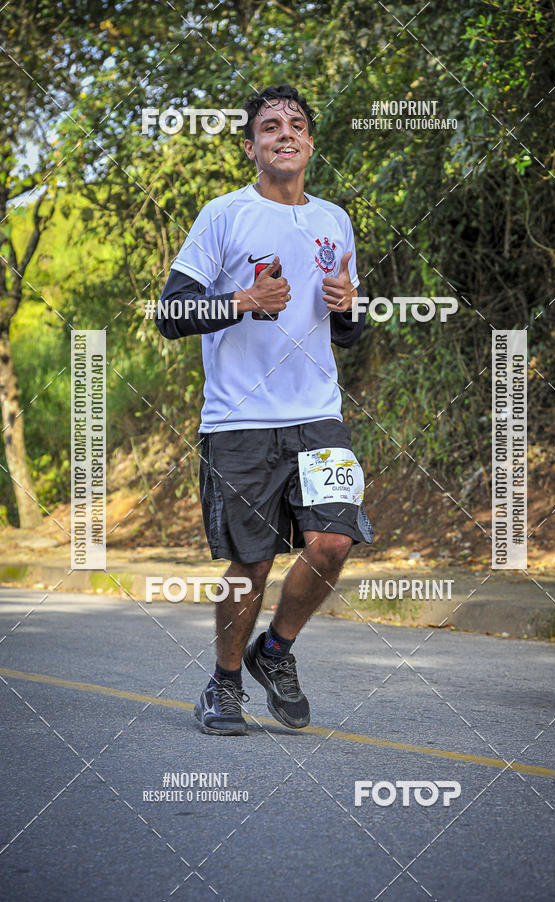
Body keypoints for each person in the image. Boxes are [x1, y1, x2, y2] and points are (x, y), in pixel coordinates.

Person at [156, 83, 372, 736]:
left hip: (319, 416)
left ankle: (273, 652)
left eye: (297, 124)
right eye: (270, 126)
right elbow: (170, 312)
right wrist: (241, 303)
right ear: (251, 146)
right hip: (239, 421)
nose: (285, 132)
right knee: (251, 565)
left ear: (310, 143)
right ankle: (223, 685)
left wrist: (349, 308)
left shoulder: (333, 221)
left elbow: (349, 333)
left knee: (334, 542)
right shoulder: (224, 216)